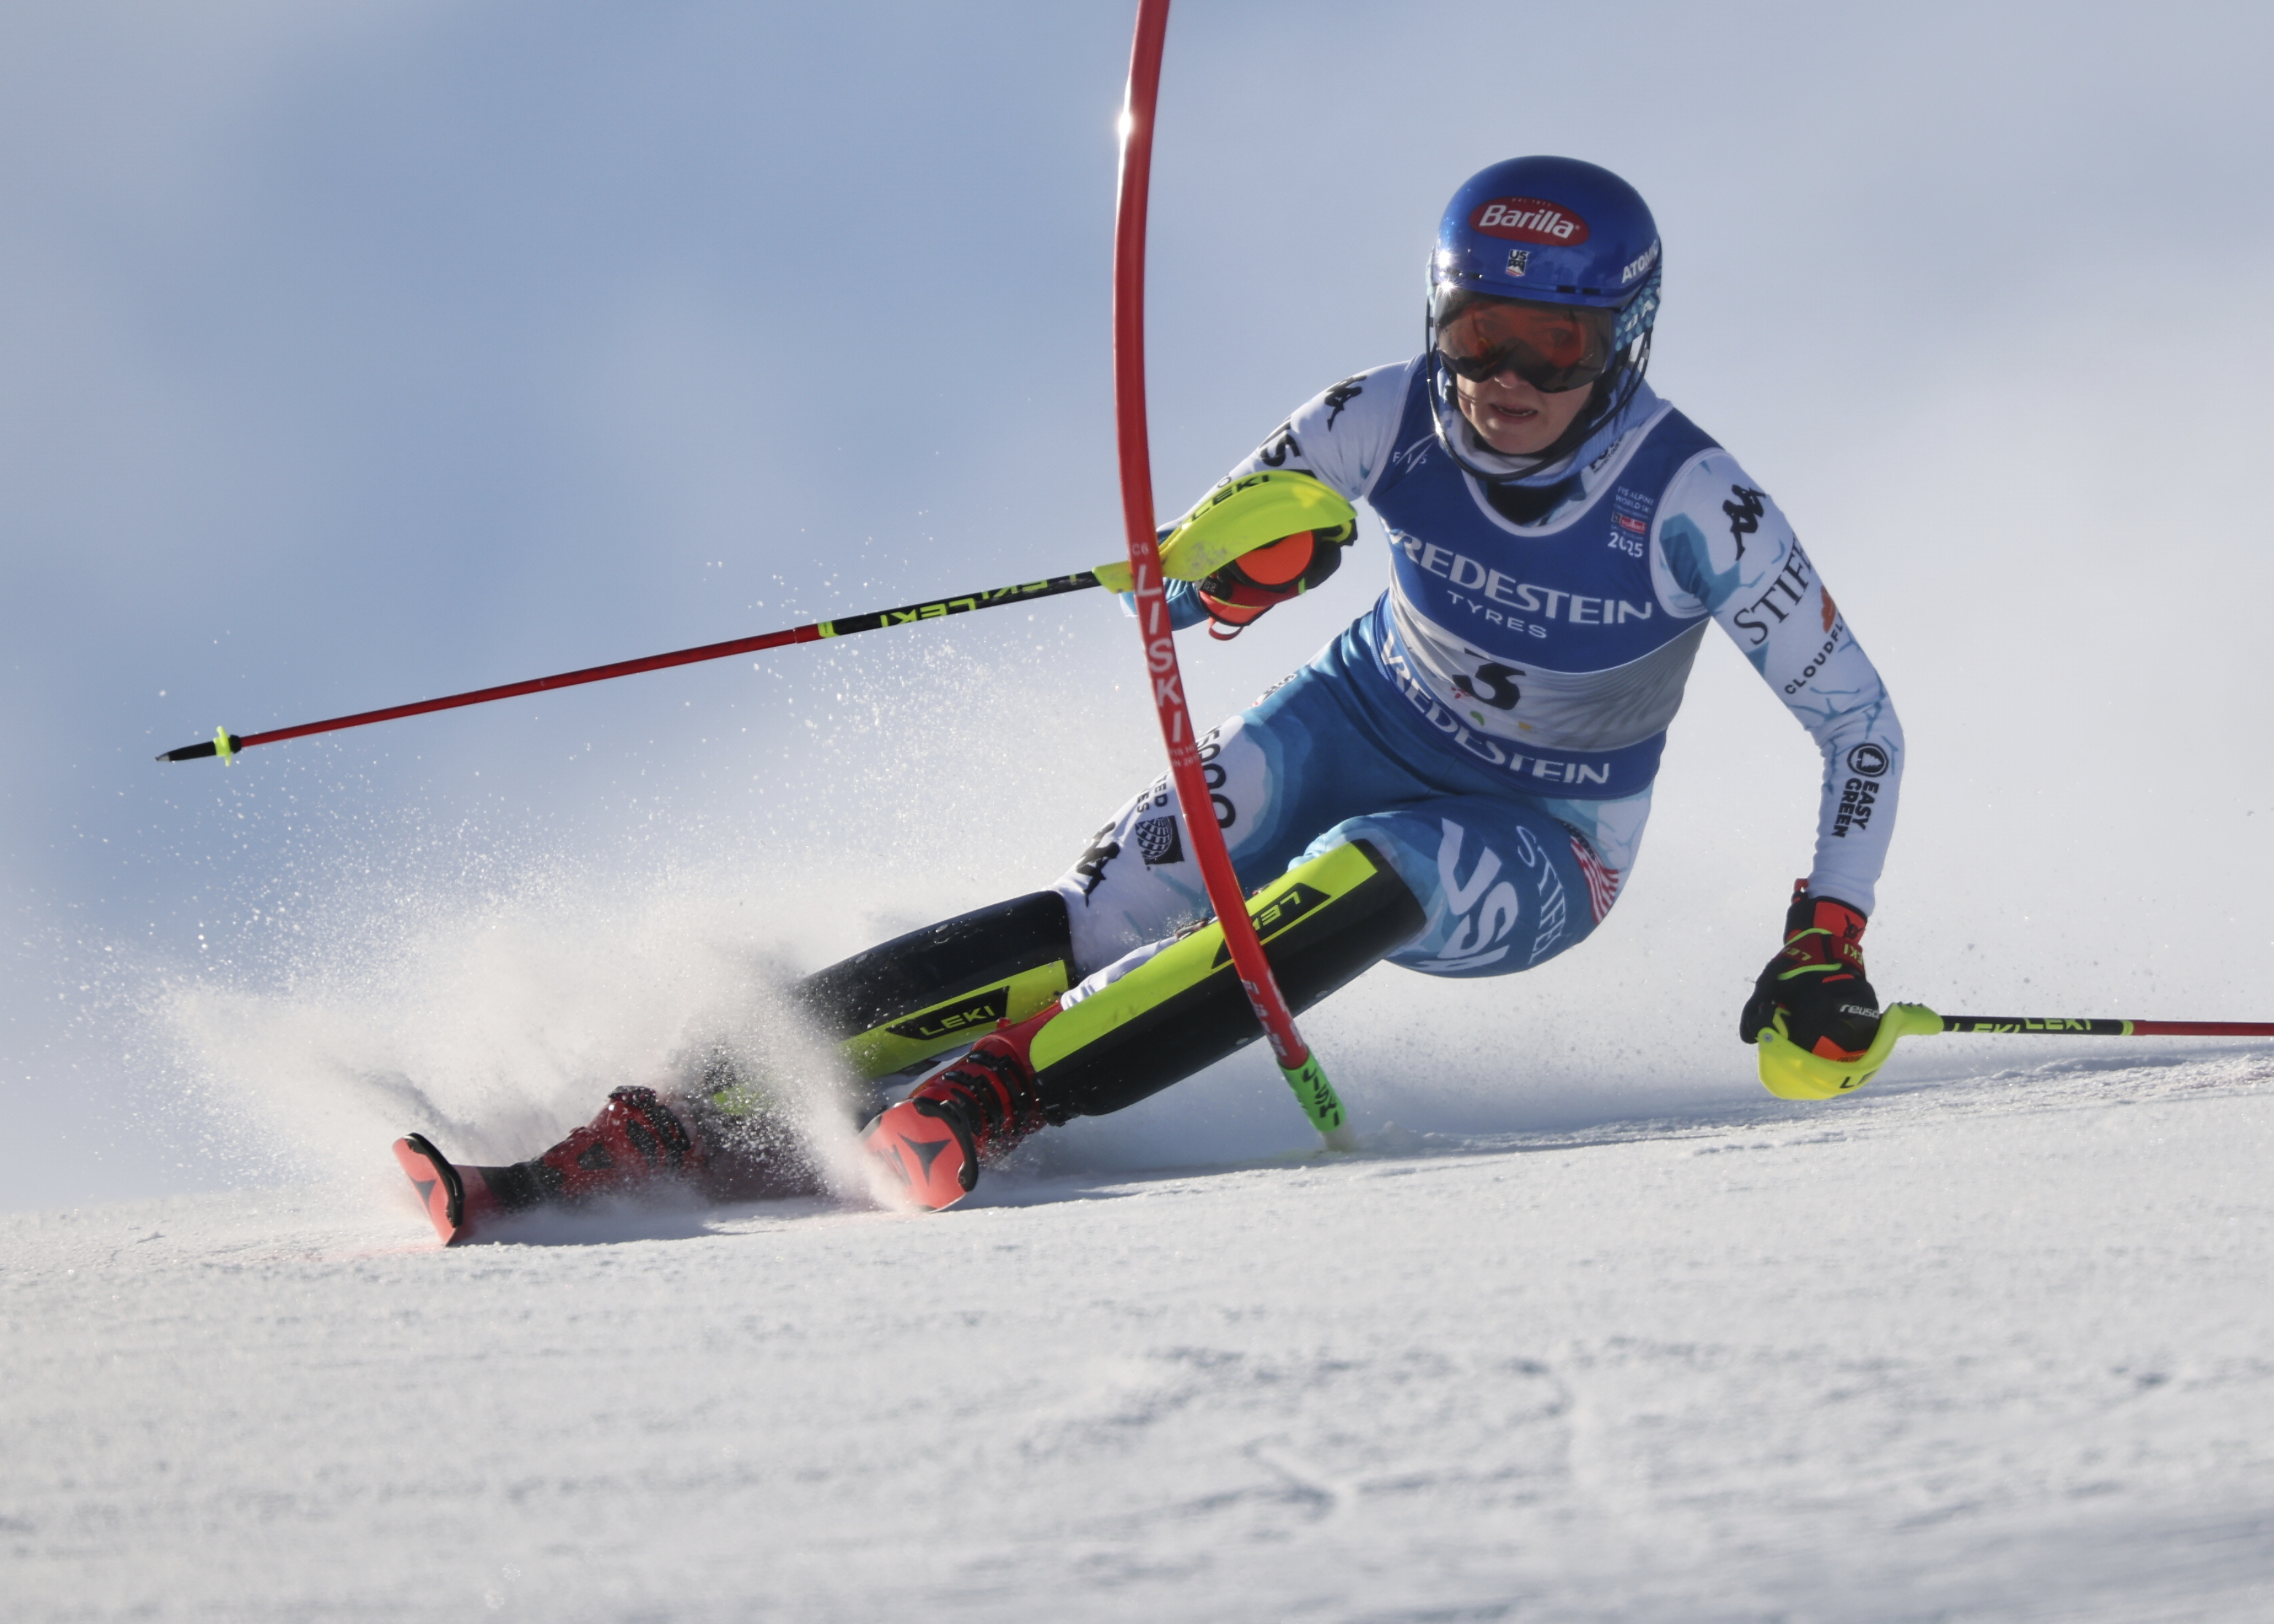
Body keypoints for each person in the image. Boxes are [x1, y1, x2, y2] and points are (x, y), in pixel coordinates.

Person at [392, 156, 1905, 1243]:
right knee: (1111, 911)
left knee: (1364, 878)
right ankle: (644, 1131)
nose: (1504, 378)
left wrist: (1826, 938)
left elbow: (1860, 725)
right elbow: (1199, 565)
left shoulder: (1701, 504)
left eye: (1552, 346)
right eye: (1476, 335)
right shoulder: (1376, 415)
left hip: (1542, 832)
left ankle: (988, 1105)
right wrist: (1247, 567)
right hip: (1357, 716)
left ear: (1624, 341)